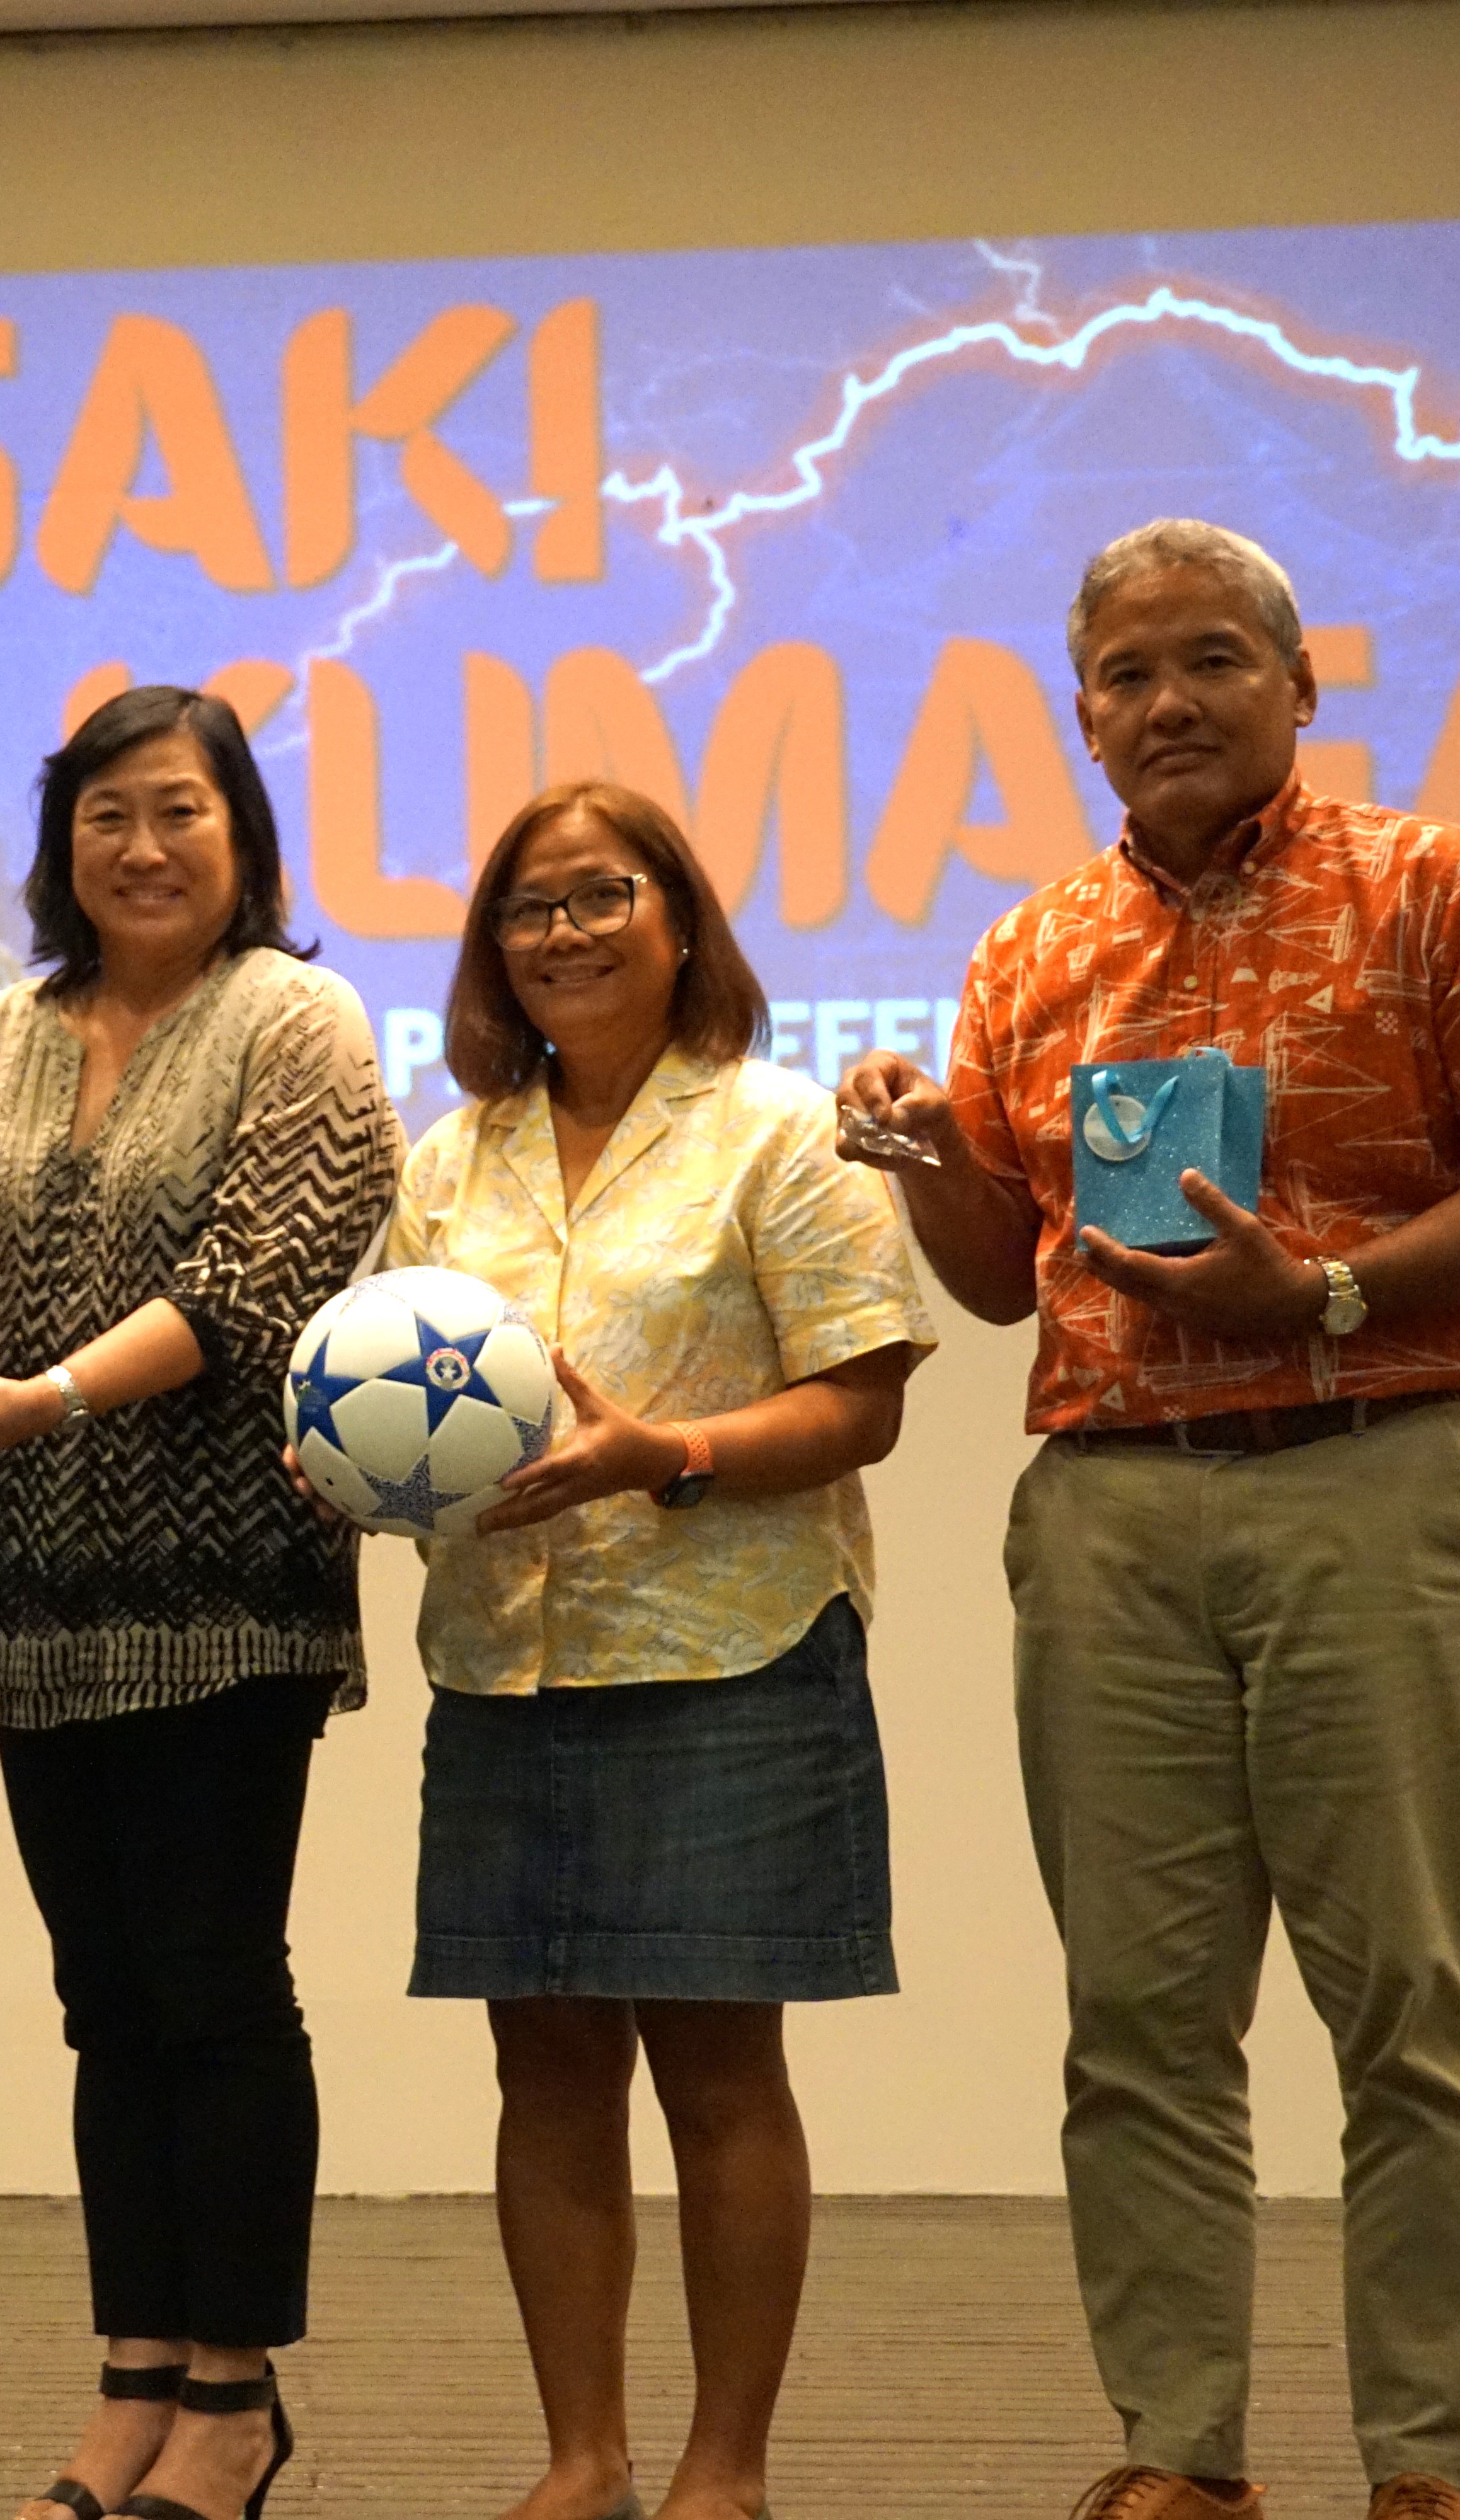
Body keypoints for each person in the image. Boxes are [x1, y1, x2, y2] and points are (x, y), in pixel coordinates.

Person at [838, 521, 1460, 2520]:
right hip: (1107, 1514)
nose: (1162, 701)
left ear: (1297, 684)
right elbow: (1001, 1279)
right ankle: (1175, 2451)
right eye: (1120, 674)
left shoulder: (1435, 884)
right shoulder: (1030, 947)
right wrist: (931, 1157)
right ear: (1081, 714)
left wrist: (1329, 1294)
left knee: (1407, 2005)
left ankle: (1421, 2465)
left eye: (1205, 660)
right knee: (1133, 2017)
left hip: (1374, 1480)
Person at [0, 685, 402, 2520]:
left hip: (221, 1590)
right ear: (60, 840)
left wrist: (46, 1395)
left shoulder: (297, 1020)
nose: (143, 845)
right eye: (107, 813)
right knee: (100, 1998)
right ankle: (133, 2382)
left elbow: (258, 1281)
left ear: (239, 834)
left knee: (210, 1984)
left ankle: (235, 2401)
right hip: (32, 1587)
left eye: (178, 809)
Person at [386, 779, 931, 2520]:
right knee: (541, 2068)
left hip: (731, 1652)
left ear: (680, 918)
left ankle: (725, 2467)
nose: (564, 932)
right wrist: (369, 1464)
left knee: (717, 2070)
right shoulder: (448, 1156)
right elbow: (386, 1374)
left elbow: (863, 1403)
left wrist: (665, 1458)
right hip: (504, 1661)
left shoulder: (782, 1132)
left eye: (600, 895)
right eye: (529, 909)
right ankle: (583, 2459)